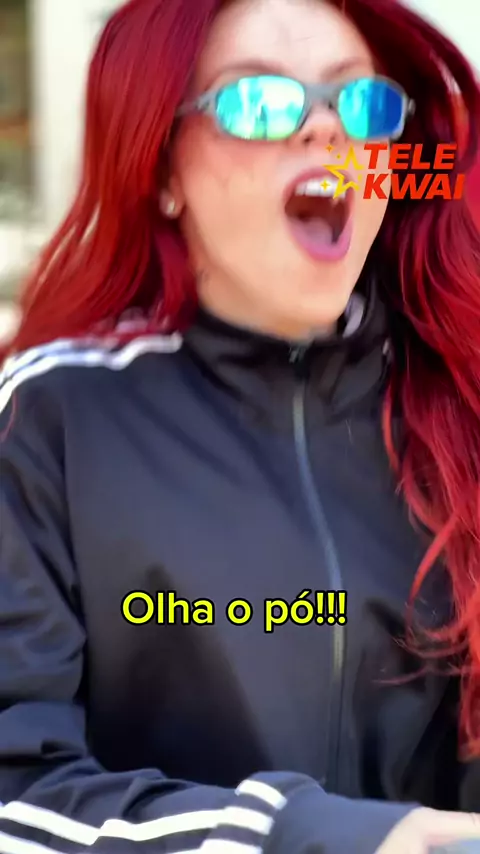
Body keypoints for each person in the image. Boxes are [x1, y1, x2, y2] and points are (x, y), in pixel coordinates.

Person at [1, 0, 480, 851]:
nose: (327, 131)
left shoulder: (457, 407)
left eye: (362, 103)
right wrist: (307, 835)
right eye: (257, 103)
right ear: (163, 172)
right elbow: (16, 791)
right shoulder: (53, 418)